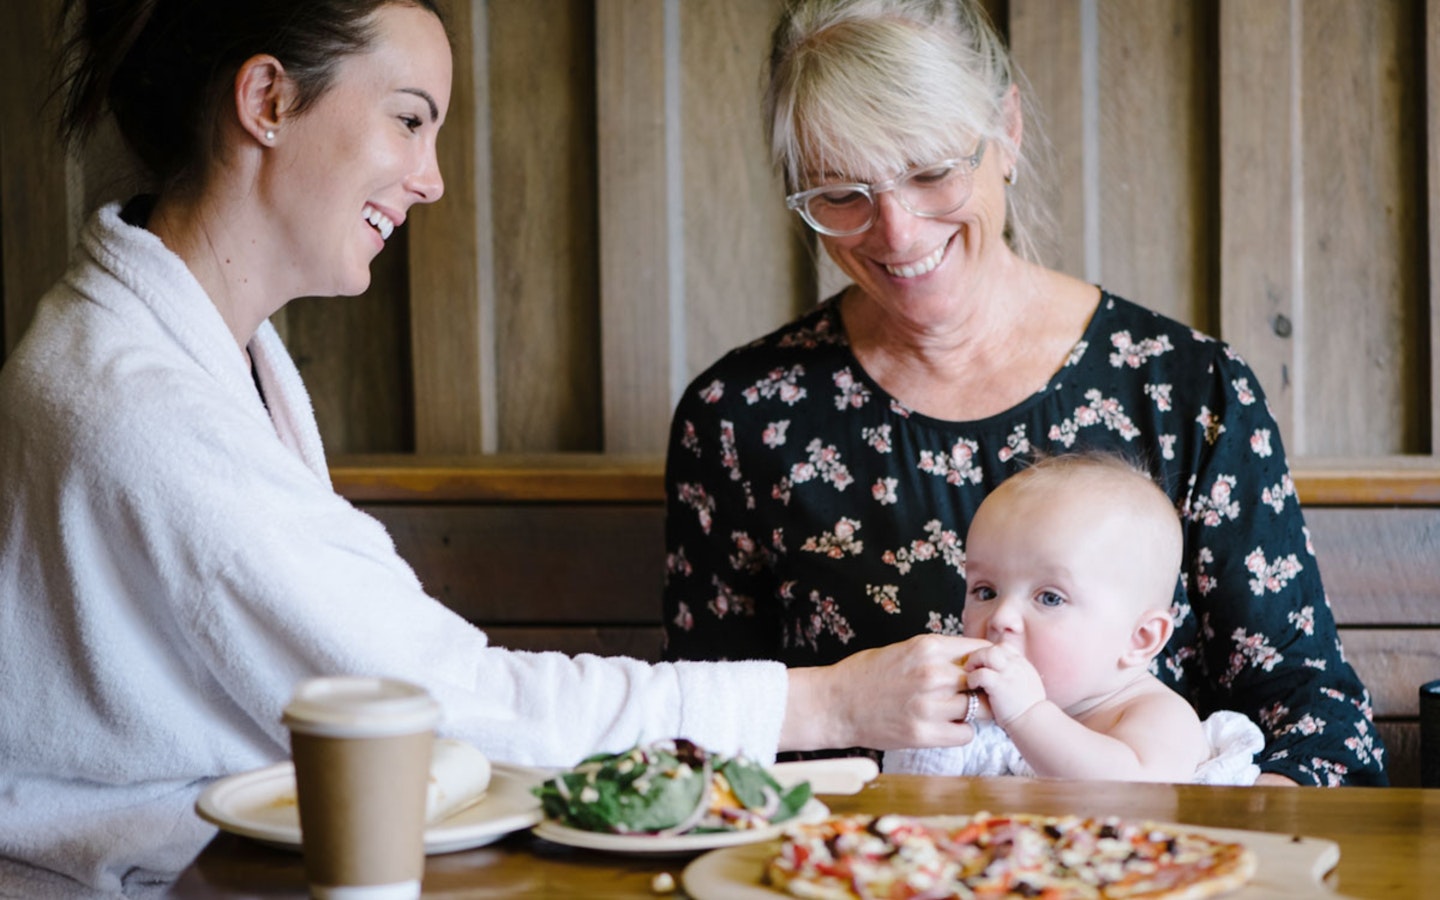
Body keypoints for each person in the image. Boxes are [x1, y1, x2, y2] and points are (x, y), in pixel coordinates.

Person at [0, 2, 990, 896]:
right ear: (265, 99)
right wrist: (828, 700)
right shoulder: (142, 401)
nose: (430, 179)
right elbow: (446, 703)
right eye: (408, 117)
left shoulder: (191, 346)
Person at [662, 0, 1386, 787]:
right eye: (841, 193)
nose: (897, 233)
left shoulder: (1184, 390)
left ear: (1005, 131)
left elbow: (1317, 724)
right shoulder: (743, 416)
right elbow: (706, 727)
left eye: (933, 171)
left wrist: (1194, 845)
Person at [883, 453, 1265, 784]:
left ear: (1140, 639)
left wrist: (1030, 716)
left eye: (1050, 597)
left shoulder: (1157, 716)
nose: (1000, 618)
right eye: (986, 591)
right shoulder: (987, 714)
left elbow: (1136, 793)